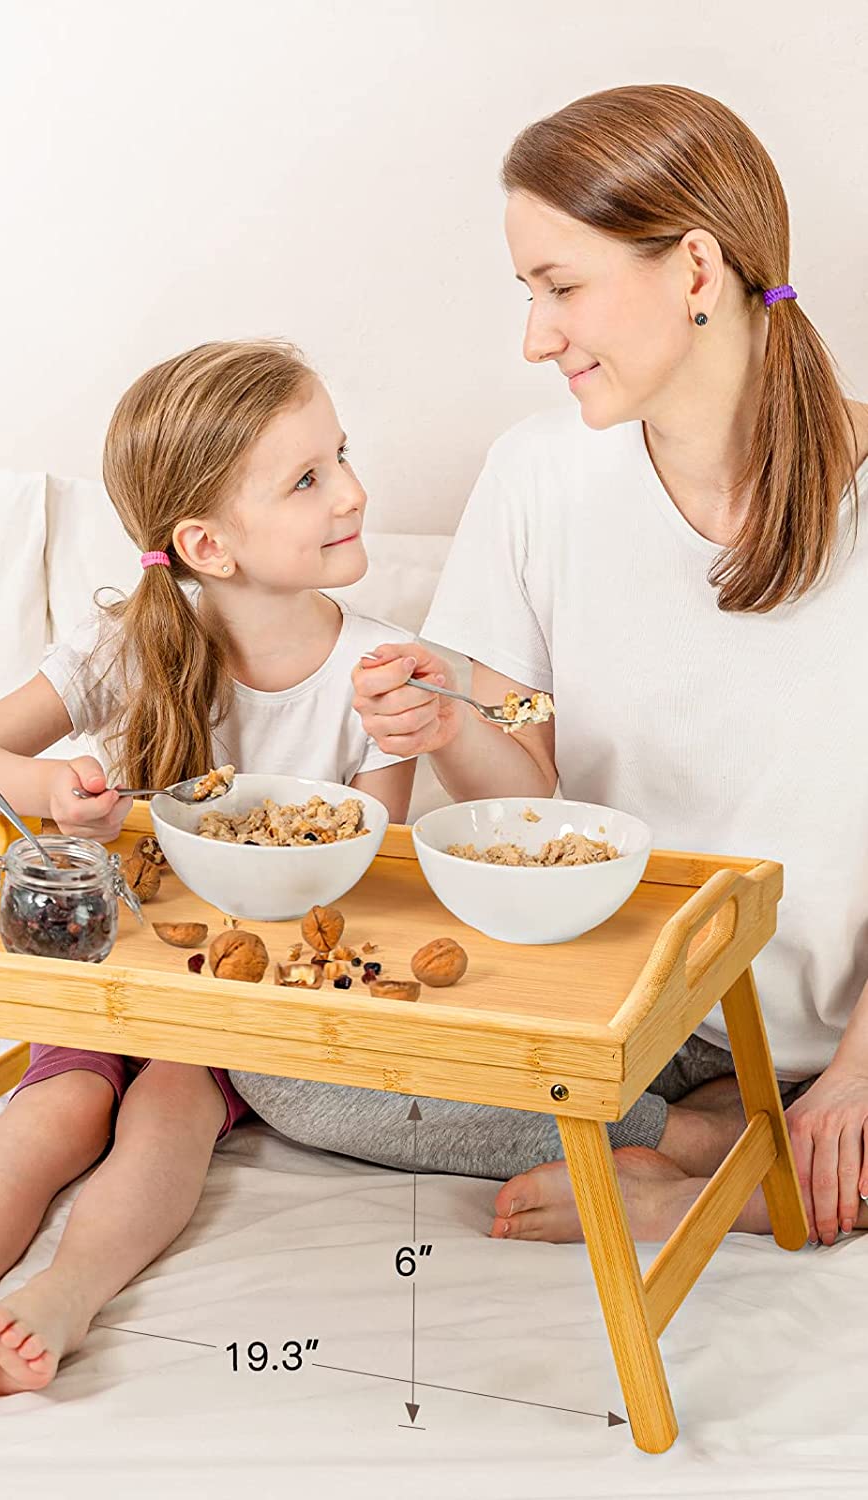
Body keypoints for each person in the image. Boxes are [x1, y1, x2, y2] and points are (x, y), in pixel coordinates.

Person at [0, 339, 415, 1435]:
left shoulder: (379, 670)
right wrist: (48, 784)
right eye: (307, 478)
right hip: (119, 962)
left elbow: (375, 854)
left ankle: (58, 1305)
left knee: (168, 1104)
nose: (352, 491)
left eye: (340, 456)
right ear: (207, 544)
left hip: (253, 991)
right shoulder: (125, 647)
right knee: (57, 1107)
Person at [352, 84, 868, 1250]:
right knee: (290, 1073)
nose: (537, 337)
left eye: (562, 286)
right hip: (642, 1010)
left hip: (851, 1030)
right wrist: (447, 724)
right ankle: (716, 1131)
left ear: (696, 270)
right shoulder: (540, 474)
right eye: (530, 293)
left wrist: (854, 1080)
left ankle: (720, 1166)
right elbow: (528, 773)